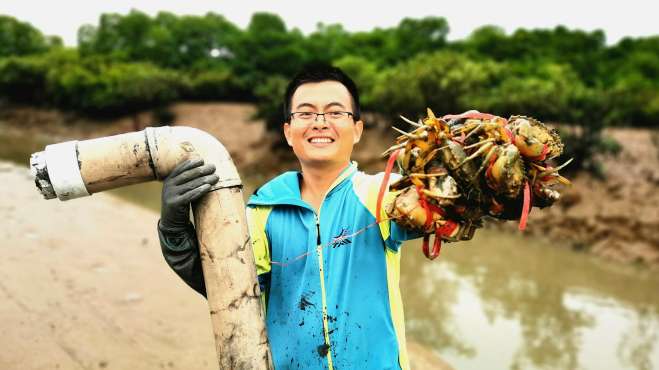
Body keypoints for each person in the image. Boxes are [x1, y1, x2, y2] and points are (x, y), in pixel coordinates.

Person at [158, 65, 418, 369]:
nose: (320, 123)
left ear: (357, 129)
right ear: (288, 131)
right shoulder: (262, 211)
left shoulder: (380, 193)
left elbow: (437, 209)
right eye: (305, 114)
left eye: (335, 113)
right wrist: (173, 229)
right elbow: (227, 290)